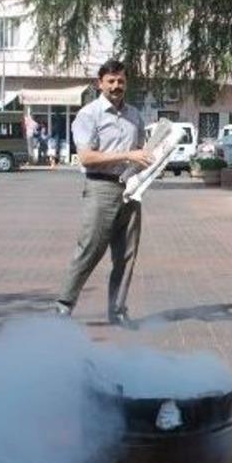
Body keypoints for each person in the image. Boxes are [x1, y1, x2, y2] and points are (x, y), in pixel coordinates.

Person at [54, 59, 152, 326]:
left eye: (121, 81)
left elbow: (141, 152)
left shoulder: (135, 115)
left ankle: (117, 310)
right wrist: (127, 154)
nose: (116, 86)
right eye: (111, 81)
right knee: (89, 248)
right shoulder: (89, 114)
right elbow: (86, 157)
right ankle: (63, 306)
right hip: (100, 189)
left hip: (130, 190)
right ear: (100, 83)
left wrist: (151, 161)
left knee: (126, 255)